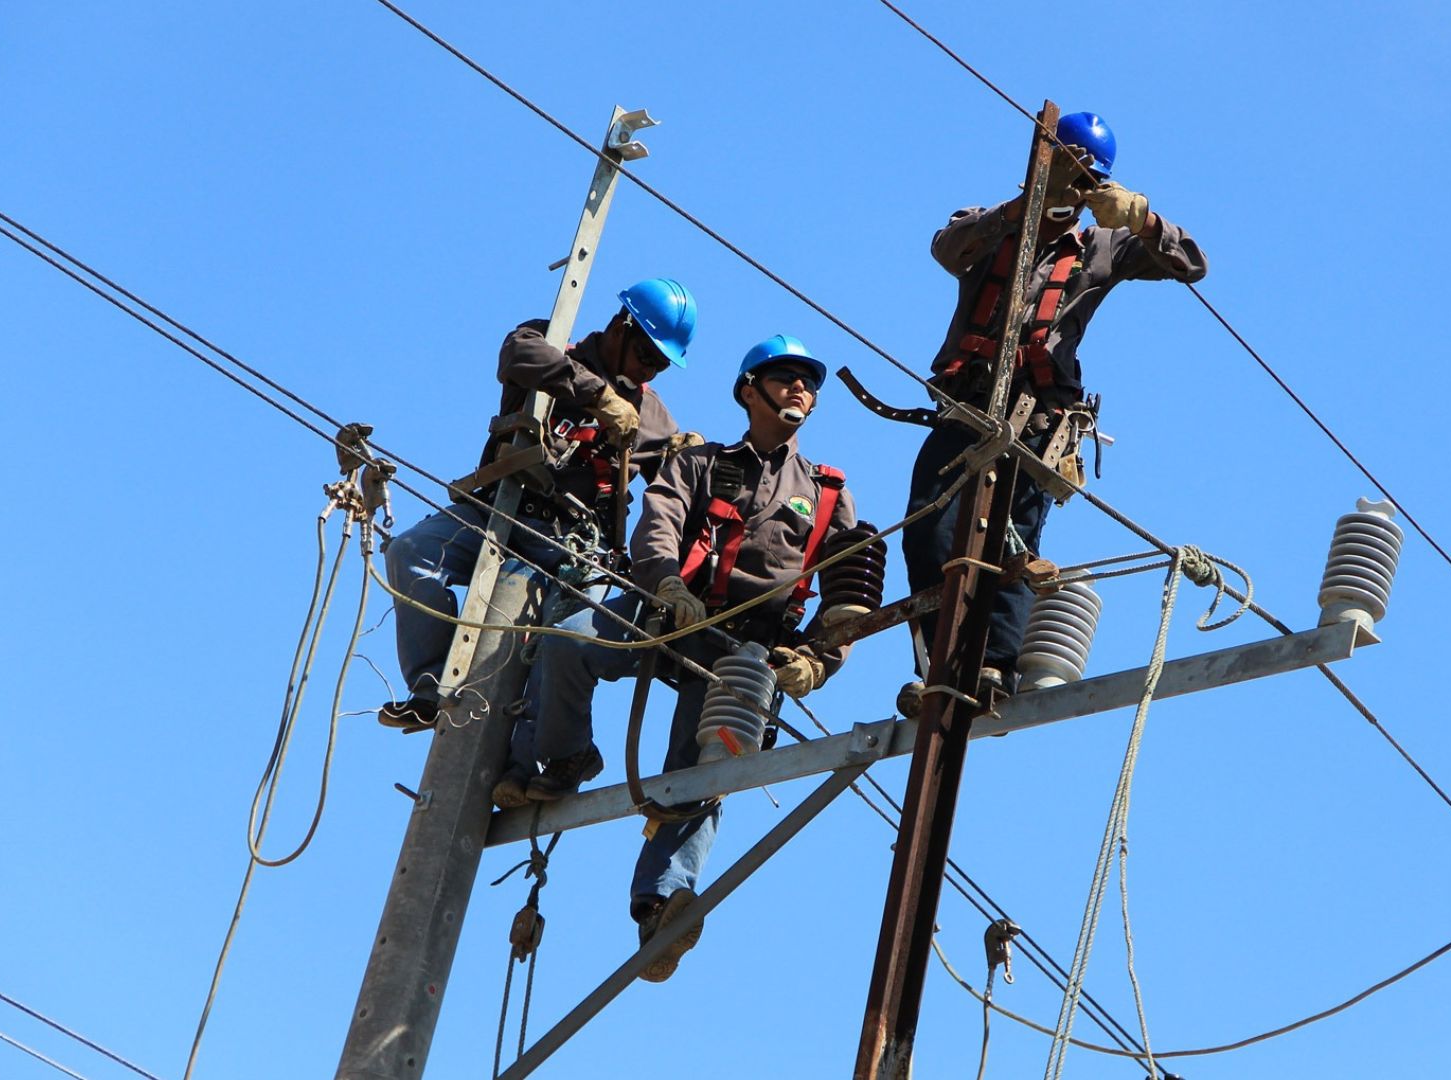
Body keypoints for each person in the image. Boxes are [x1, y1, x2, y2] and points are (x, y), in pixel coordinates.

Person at [520, 334, 859, 982]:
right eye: (785, 377)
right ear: (748, 389)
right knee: (568, 640)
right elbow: (661, 521)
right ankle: (564, 756)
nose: (800, 390)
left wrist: (818, 659)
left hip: (747, 645)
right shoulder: (700, 463)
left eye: (807, 383)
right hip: (675, 611)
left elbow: (849, 590)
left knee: (705, 767)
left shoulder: (825, 491)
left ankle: (660, 905)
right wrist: (667, 583)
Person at [902, 111, 1207, 702]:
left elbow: (1191, 263)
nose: (1071, 182)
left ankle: (994, 668)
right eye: (1061, 166)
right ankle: (936, 662)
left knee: (1012, 545)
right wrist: (1029, 208)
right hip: (966, 409)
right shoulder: (988, 224)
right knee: (928, 530)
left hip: (1036, 420)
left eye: (1082, 174)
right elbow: (948, 249)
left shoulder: (1102, 247)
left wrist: (1142, 218)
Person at [377, 278, 699, 736]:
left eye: (661, 365)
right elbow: (518, 354)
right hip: (497, 513)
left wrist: (688, 458)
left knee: (562, 643)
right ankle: (433, 688)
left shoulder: (649, 413)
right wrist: (597, 395)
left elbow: (675, 490)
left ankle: (534, 765)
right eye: (647, 355)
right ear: (621, 326)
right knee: (410, 553)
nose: (649, 372)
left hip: (573, 548)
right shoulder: (553, 344)